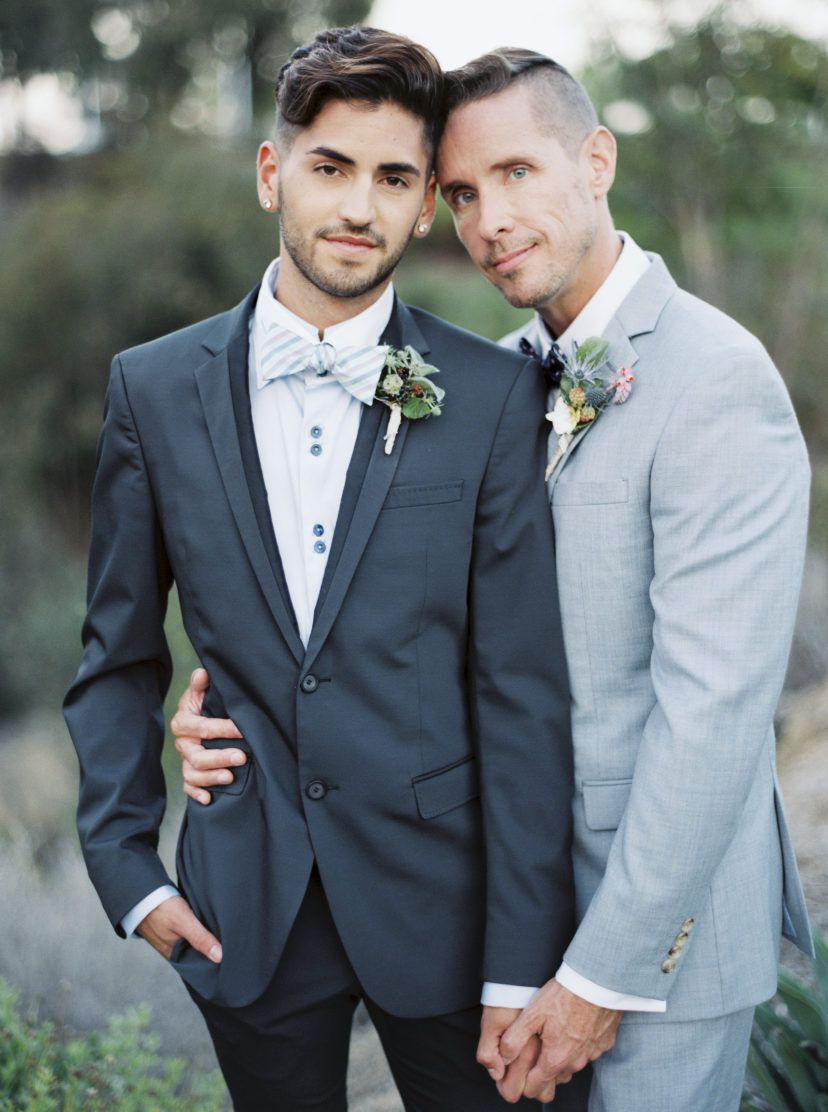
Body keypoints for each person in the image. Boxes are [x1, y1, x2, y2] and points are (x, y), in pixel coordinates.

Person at [177, 46, 813, 1112]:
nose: (489, 221)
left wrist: (599, 975)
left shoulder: (717, 377)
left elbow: (713, 715)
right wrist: (230, 724)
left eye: (517, 173)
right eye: (463, 192)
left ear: (596, 160)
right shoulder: (489, 376)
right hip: (503, 914)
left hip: (652, 941)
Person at [63, 27, 591, 1112]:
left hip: (454, 911)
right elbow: (114, 654)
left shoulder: (493, 396)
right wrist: (129, 868)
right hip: (244, 907)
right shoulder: (153, 390)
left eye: (395, 177)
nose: (359, 206)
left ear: (421, 200)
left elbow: (523, 692)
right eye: (331, 167)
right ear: (272, 173)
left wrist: (519, 956)